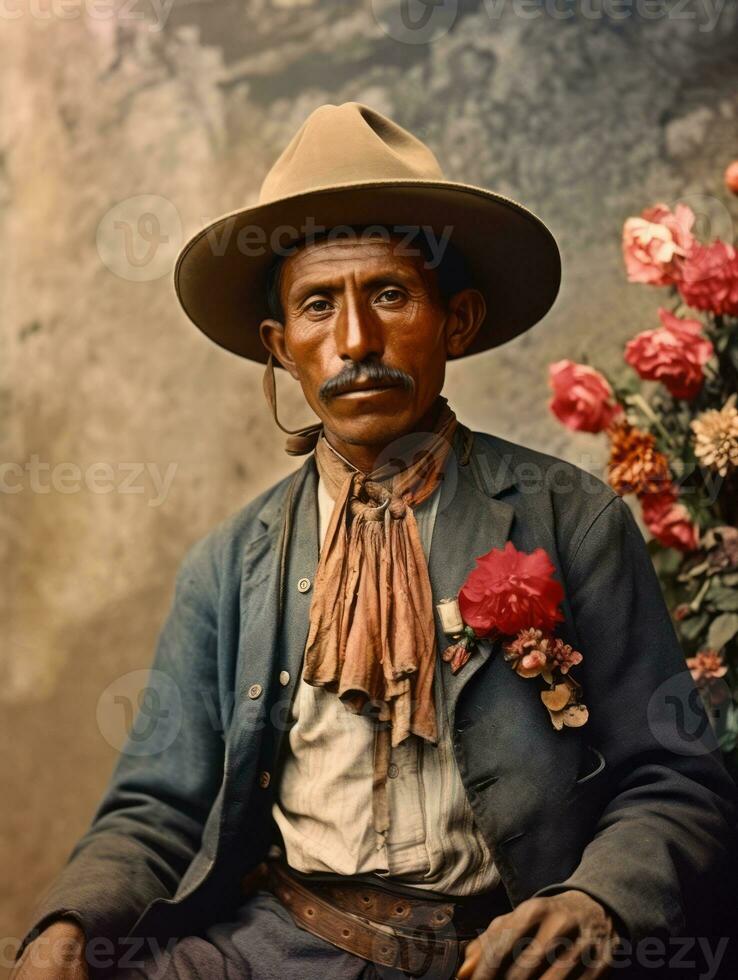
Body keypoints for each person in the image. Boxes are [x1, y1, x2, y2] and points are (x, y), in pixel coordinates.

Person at [12, 103, 737, 980]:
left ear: (456, 320)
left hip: (499, 954)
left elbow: (676, 780)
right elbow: (156, 809)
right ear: (281, 348)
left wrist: (595, 902)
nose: (356, 341)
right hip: (275, 950)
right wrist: (68, 923)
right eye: (319, 306)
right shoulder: (230, 565)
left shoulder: (567, 518)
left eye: (390, 294)